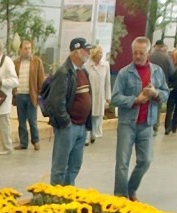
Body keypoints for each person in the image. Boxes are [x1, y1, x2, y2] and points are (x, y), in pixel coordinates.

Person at [109, 37, 167, 199]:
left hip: (147, 124)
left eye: (141, 53)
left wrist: (156, 93)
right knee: (122, 163)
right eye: (135, 52)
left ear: (148, 52)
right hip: (127, 123)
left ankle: (130, 188)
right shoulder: (124, 73)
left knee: (146, 160)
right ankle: (120, 196)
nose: (138, 56)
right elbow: (115, 98)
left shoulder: (157, 72)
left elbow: (166, 94)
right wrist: (135, 100)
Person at [46, 37, 94, 187]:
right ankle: (55, 197)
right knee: (60, 166)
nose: (88, 53)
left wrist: (87, 124)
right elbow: (56, 101)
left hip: (81, 127)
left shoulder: (83, 72)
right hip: (68, 127)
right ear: (75, 52)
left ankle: (69, 194)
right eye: (85, 50)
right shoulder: (64, 72)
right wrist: (66, 122)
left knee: (74, 165)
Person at [14, 39, 44, 151]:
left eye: (29, 48)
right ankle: (23, 142)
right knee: (21, 121)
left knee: (32, 120)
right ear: (20, 50)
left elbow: (41, 80)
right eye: (25, 48)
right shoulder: (15, 63)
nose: (28, 51)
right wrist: (14, 92)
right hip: (19, 95)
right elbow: (12, 78)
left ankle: (35, 141)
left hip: (31, 96)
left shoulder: (37, 62)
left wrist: (39, 95)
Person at [85, 46, 110, 145]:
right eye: (98, 53)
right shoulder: (86, 65)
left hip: (100, 94)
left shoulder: (105, 65)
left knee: (97, 115)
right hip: (90, 94)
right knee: (88, 114)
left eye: (101, 53)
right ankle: (86, 136)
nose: (101, 55)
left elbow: (107, 82)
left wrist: (108, 97)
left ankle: (94, 134)